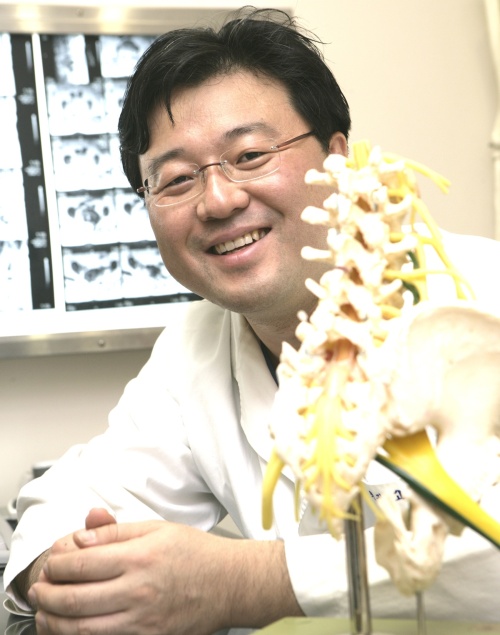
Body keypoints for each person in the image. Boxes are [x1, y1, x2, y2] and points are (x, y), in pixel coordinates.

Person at [4, 6, 500, 635]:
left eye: (251, 153)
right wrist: (75, 580)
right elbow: (63, 503)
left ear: (338, 158)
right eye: (176, 179)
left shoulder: (484, 293)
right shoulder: (196, 347)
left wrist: (248, 581)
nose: (219, 200)